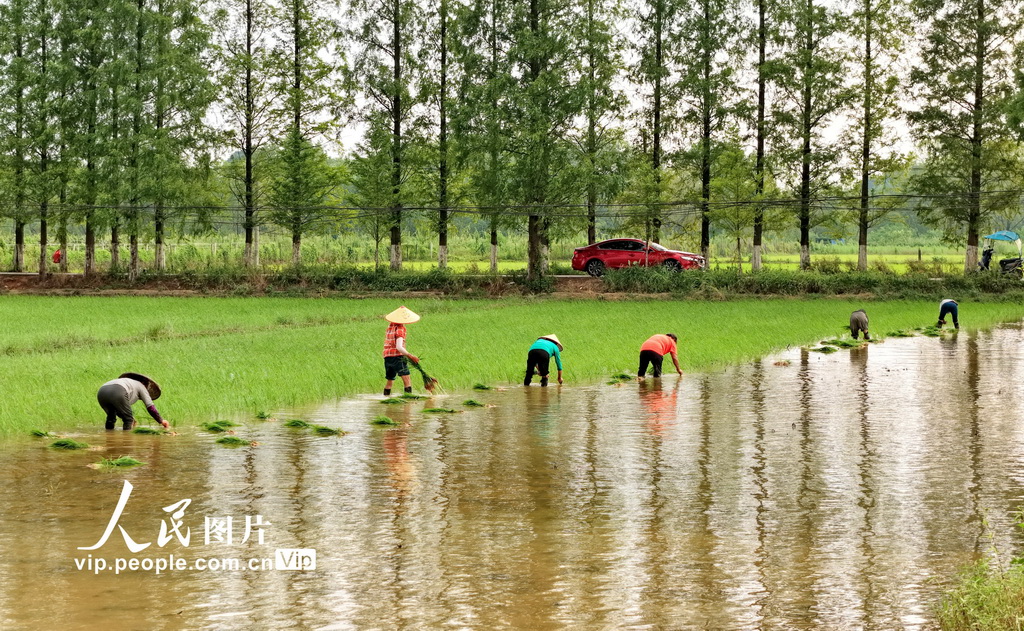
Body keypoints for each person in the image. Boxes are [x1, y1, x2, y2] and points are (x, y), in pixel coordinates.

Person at [97, 373, 168, 430]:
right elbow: (150, 407)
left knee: (111, 417)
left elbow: (119, 408)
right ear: (145, 384)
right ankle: (127, 440)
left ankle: (109, 436)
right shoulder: (141, 386)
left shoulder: (127, 382)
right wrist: (161, 420)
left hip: (101, 392)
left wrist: (129, 416)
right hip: (119, 390)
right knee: (128, 420)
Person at [383, 306, 421, 397]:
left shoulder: (390, 327)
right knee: (407, 380)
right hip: (398, 357)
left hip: (387, 357)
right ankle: (408, 400)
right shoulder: (400, 329)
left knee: (390, 380)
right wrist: (410, 356)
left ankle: (385, 398)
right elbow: (399, 347)